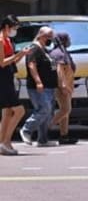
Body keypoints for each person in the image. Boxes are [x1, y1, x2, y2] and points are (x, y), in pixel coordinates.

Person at [19, 26, 58, 147]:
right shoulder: (34, 48)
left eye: (51, 37)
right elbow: (32, 65)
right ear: (40, 35)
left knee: (48, 113)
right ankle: (26, 130)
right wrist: (38, 81)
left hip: (49, 86)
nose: (50, 39)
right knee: (43, 110)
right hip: (39, 86)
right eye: (48, 37)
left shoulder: (44, 49)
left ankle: (43, 139)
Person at [0, 15, 31, 155]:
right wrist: (19, 54)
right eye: (14, 28)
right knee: (19, 110)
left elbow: (10, 62)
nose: (15, 31)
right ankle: (6, 141)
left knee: (7, 112)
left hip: (8, 77)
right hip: (3, 79)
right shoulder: (1, 40)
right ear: (7, 27)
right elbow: (2, 62)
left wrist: (20, 55)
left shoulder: (7, 40)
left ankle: (3, 143)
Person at [49, 32, 78, 145]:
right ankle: (44, 128)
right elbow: (59, 71)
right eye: (67, 38)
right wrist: (63, 85)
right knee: (65, 109)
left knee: (65, 112)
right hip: (62, 86)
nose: (69, 40)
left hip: (67, 84)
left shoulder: (63, 52)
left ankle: (64, 135)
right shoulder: (58, 54)